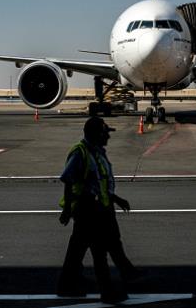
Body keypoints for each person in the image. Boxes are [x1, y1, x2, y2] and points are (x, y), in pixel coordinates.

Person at [57, 116, 142, 303]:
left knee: (80, 250)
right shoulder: (81, 153)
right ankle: (108, 291)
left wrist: (115, 199)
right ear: (95, 134)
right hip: (87, 209)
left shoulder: (97, 153)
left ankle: (69, 285)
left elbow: (100, 182)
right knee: (98, 251)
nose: (108, 137)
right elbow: (67, 179)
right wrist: (67, 210)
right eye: (105, 133)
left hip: (100, 207)